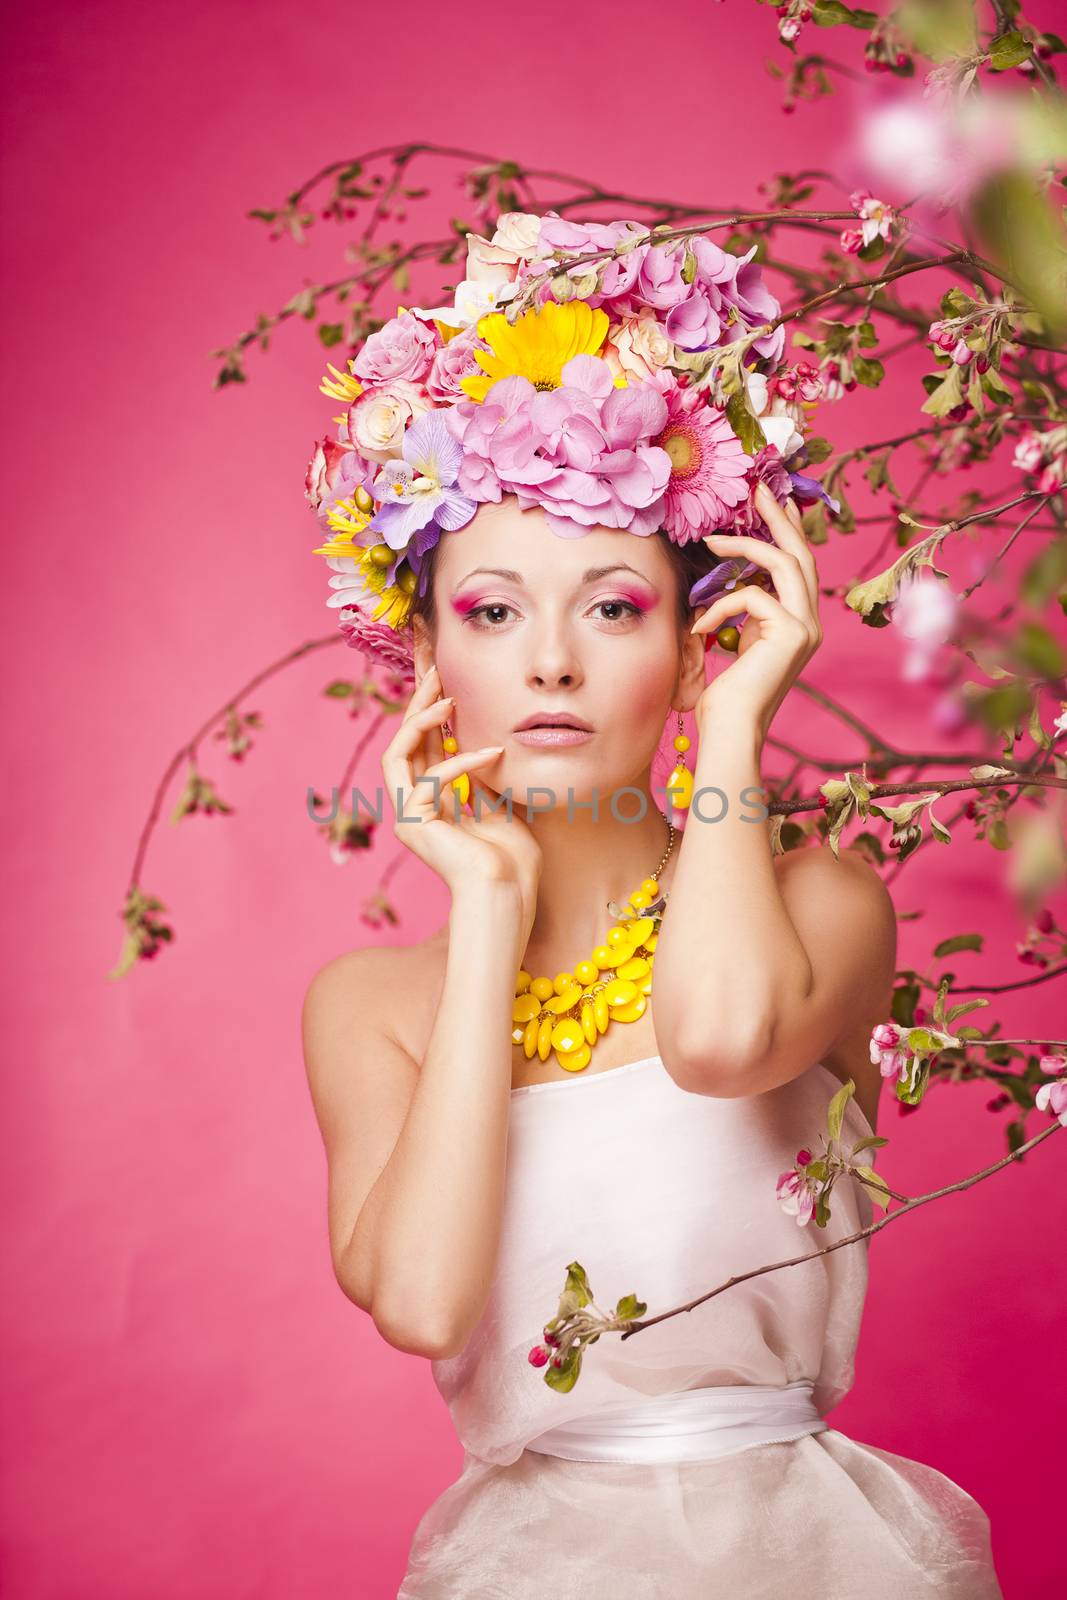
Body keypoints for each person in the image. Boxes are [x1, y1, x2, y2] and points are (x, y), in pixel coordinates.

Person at [300, 212, 1004, 1596]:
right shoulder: (371, 1006)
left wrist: (736, 730)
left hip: (812, 1557)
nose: (551, 661)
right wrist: (490, 913)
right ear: (423, 652)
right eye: (492, 612)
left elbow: (721, 1044)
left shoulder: (822, 905)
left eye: (615, 607)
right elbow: (427, 1303)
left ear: (699, 640)